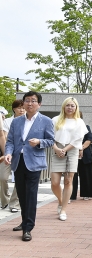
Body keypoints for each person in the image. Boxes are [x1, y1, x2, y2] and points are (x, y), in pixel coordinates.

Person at [4, 91, 54, 241]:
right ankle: (24, 220)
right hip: (18, 162)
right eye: (27, 101)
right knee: (21, 194)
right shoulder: (16, 121)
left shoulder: (46, 121)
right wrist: (8, 153)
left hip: (34, 162)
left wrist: (39, 142)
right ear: (23, 103)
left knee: (31, 195)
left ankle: (28, 228)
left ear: (39, 104)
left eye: (33, 101)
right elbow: (10, 141)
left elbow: (51, 141)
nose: (30, 103)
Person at [51, 97, 88, 221]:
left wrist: (65, 150)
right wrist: (56, 148)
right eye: (68, 105)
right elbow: (49, 136)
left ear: (76, 107)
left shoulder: (79, 122)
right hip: (57, 149)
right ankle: (61, 201)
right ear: (63, 106)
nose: (70, 108)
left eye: (72, 106)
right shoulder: (55, 120)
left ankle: (64, 209)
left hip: (72, 150)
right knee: (55, 182)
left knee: (68, 181)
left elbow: (78, 139)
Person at [1, 100, 24, 212]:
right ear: (14, 108)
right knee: (2, 177)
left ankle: (14, 203)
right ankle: (5, 200)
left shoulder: (27, 121)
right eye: (19, 108)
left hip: (21, 154)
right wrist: (6, 153)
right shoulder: (8, 121)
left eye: (23, 108)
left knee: (20, 179)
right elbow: (4, 137)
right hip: (8, 153)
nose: (22, 110)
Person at [70, 113, 92, 201]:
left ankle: (87, 193)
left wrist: (81, 148)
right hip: (71, 153)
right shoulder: (68, 128)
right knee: (71, 175)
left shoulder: (86, 127)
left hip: (84, 153)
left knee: (86, 174)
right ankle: (71, 194)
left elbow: (89, 139)